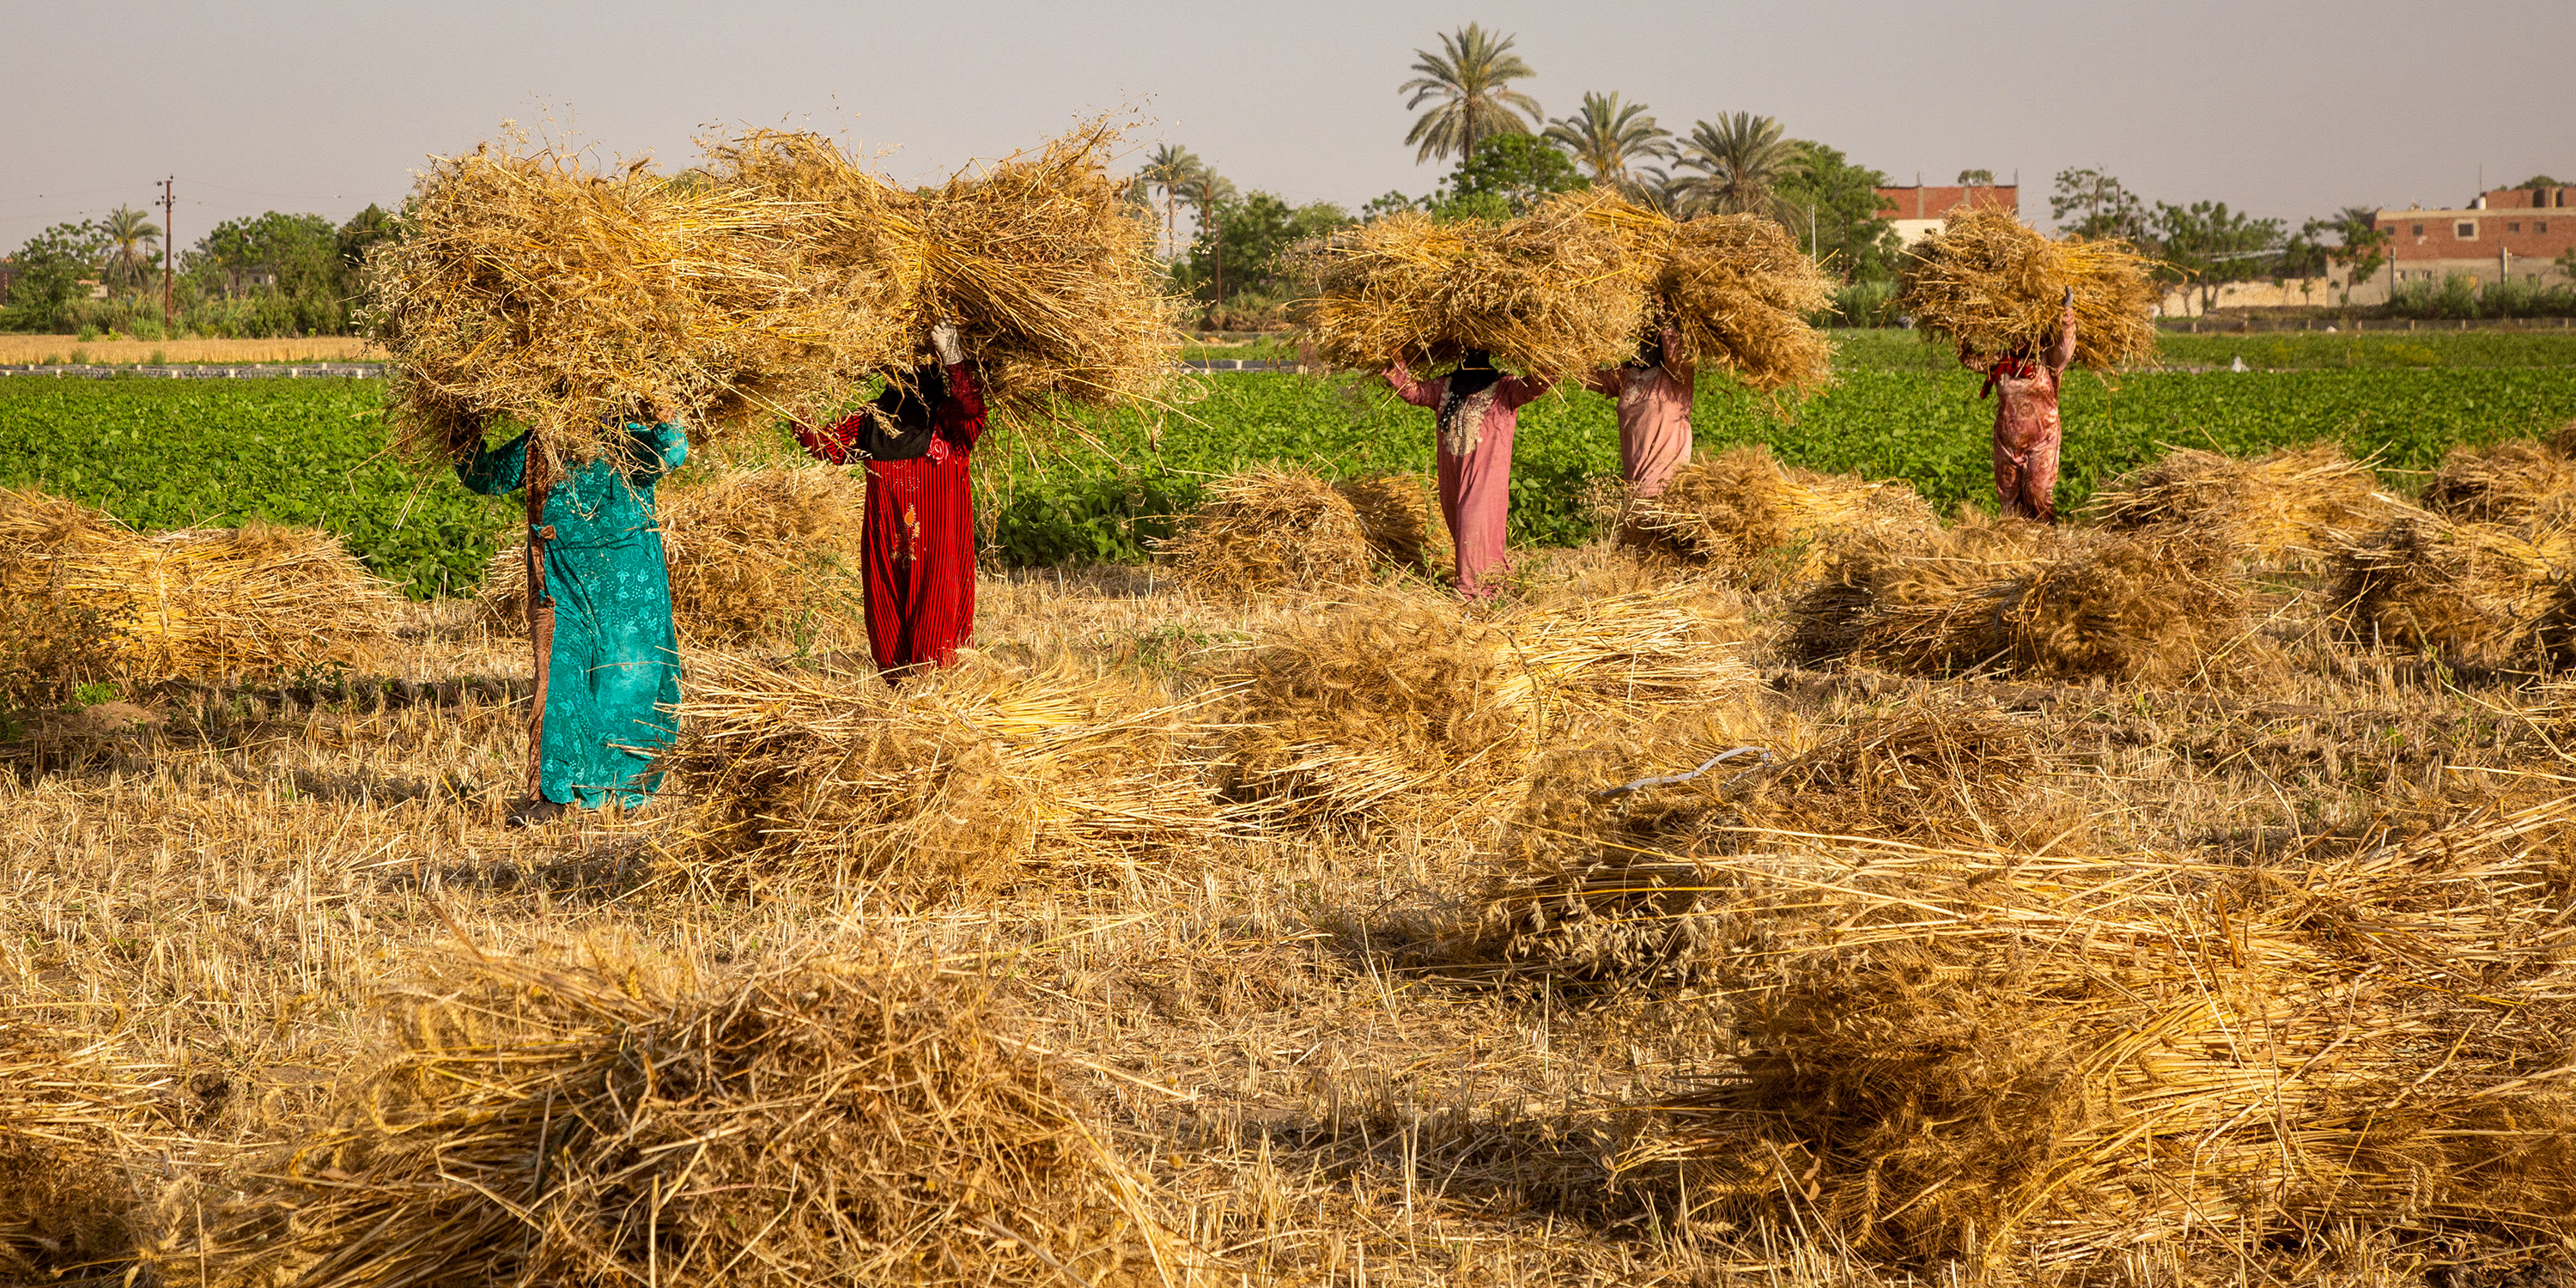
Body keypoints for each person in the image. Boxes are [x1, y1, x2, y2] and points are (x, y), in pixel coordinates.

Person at [458, 407, 689, 827]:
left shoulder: (628, 436)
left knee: (628, 682)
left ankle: (627, 788)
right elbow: (485, 475)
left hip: (629, 589)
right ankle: (555, 793)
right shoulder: (539, 444)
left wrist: (664, 413)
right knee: (561, 683)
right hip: (563, 587)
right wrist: (461, 421)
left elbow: (671, 453)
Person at [795, 323, 986, 678]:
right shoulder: (874, 421)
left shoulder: (948, 419)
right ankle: (897, 686)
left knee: (936, 608)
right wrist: (797, 391)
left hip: (937, 546)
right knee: (887, 612)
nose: (908, 378)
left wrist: (954, 357)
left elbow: (973, 406)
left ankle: (936, 687)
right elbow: (821, 443)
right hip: (886, 542)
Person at [1382, 349, 1554, 600]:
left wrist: (1549, 362)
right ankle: (1495, 588)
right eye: (1467, 351)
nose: (1472, 356)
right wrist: (1396, 359)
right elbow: (1415, 392)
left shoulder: (1504, 390)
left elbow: (1534, 386)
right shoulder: (1446, 387)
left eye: (1478, 351)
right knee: (1465, 532)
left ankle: (1469, 596)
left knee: (1473, 526)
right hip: (1452, 478)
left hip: (1486, 479)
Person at [1960, 287, 2078, 523]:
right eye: (2017, 334)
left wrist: (2067, 313)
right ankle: (2016, 550)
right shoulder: (2002, 361)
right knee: (2010, 504)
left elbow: (2067, 348)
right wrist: (1960, 327)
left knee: (2038, 493)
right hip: (2007, 443)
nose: (2021, 340)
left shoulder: (2048, 359)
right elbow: (1970, 360)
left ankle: (2046, 544)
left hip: (2043, 441)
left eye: (2026, 334)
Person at [1578, 325, 1695, 500]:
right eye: (1644, 338)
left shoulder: (1678, 376)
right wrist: (1567, 356)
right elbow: (1594, 379)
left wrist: (1661, 312)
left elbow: (1673, 353)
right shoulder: (1629, 374)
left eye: (1654, 338)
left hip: (1665, 482)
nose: (1647, 344)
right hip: (1633, 480)